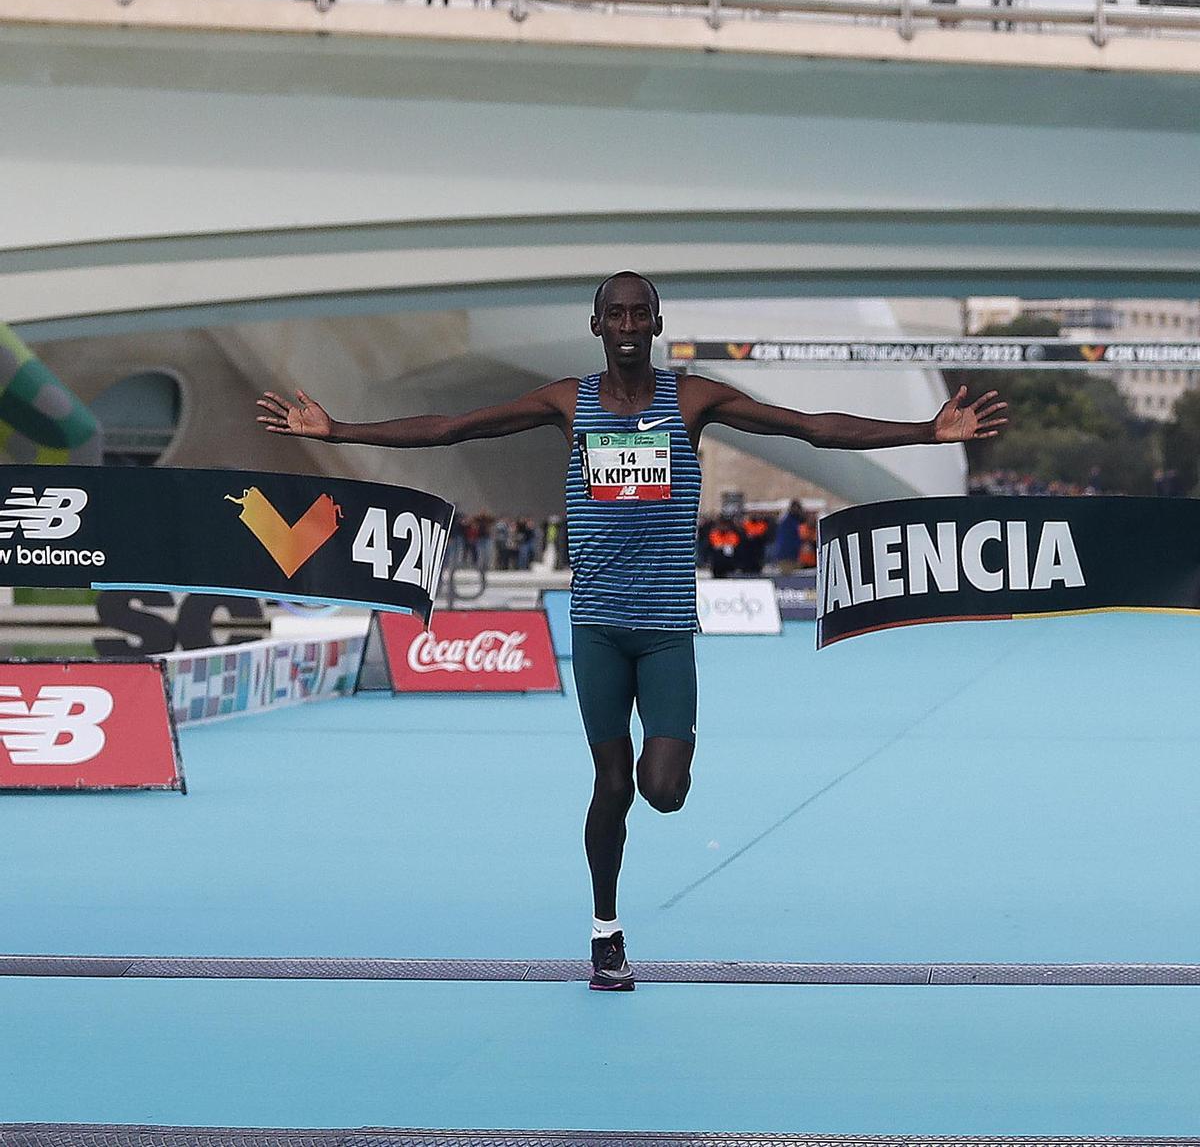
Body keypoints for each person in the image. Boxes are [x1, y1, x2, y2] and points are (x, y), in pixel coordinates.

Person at [255, 272, 1007, 992]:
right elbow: (452, 427)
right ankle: (604, 929)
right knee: (611, 782)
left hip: (667, 629)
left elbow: (809, 428)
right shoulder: (567, 401)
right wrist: (339, 428)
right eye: (612, 314)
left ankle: (653, 797)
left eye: (637, 312)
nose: (624, 325)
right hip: (600, 628)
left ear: (655, 323)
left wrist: (926, 430)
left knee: (664, 788)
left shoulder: (694, 399)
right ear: (595, 326)